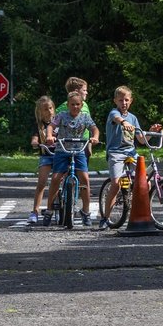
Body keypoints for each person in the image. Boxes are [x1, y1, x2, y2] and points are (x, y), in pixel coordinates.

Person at [43, 91, 100, 226]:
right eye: (73, 104)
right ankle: (49, 210)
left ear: (81, 105)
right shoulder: (62, 116)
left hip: (79, 150)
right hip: (62, 149)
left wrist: (95, 137)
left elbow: (94, 129)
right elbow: (51, 126)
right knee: (56, 178)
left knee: (85, 179)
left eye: (78, 104)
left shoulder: (85, 117)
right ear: (68, 105)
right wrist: (49, 136)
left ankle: (85, 212)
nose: (75, 107)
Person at [99, 85, 151, 230]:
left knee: (145, 182)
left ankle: (142, 214)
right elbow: (116, 118)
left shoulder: (133, 118)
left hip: (131, 152)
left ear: (131, 101)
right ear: (115, 101)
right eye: (121, 100)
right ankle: (105, 217)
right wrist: (123, 122)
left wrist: (151, 132)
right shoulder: (113, 113)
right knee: (116, 183)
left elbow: (141, 139)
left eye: (127, 100)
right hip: (116, 152)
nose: (124, 103)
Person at [28, 96, 56, 225]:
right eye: (45, 109)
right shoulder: (39, 125)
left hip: (61, 155)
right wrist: (35, 142)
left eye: (50, 108)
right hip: (46, 155)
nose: (49, 111)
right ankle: (35, 211)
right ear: (40, 112)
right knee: (42, 182)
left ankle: (63, 205)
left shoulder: (59, 121)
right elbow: (35, 137)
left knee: (62, 179)